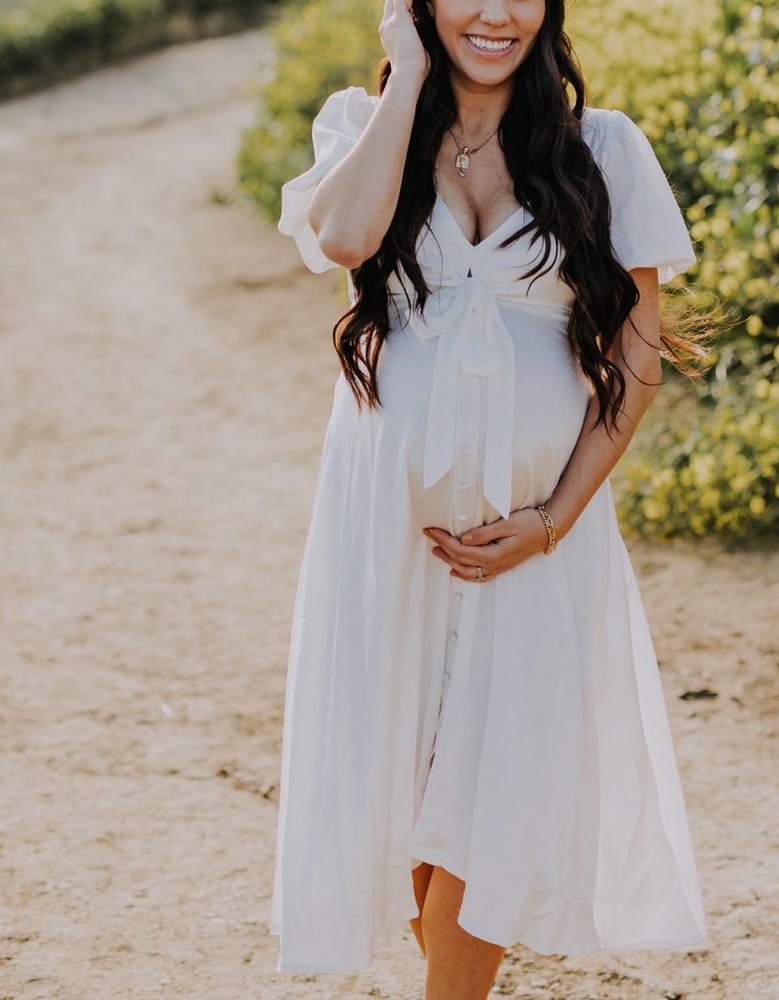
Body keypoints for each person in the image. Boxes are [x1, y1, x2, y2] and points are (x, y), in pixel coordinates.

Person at [271, 0, 709, 996]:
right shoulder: (359, 124)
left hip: (533, 535)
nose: (497, 13)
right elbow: (343, 238)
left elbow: (637, 353)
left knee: (494, 777)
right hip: (387, 532)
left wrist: (554, 517)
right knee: (421, 776)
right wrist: (408, 77)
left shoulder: (602, 148)